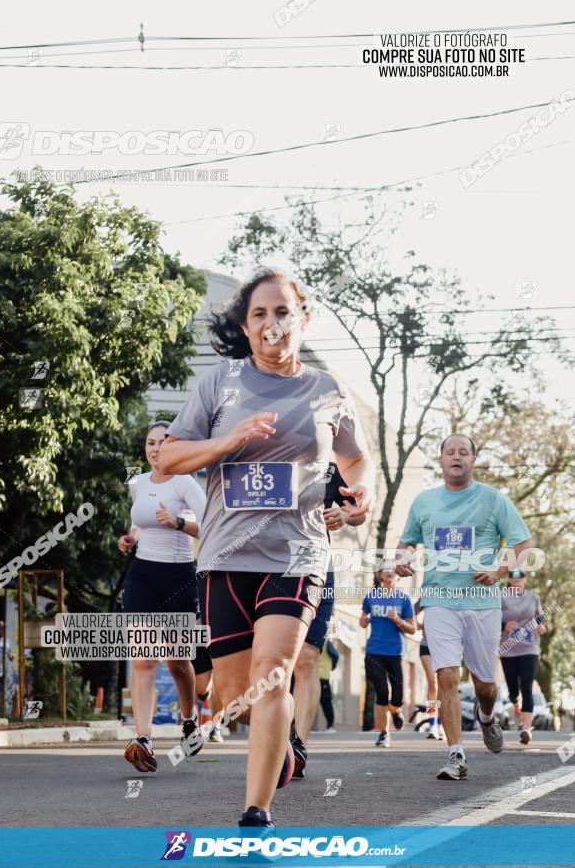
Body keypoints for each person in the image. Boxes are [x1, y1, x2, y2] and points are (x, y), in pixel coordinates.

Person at [158, 268, 374, 827]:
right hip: (227, 554)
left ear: (303, 319)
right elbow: (168, 459)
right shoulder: (218, 384)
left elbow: (354, 460)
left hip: (297, 552)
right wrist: (229, 439)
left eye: (283, 312)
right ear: (247, 325)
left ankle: (257, 808)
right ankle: (271, 743)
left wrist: (361, 494)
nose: (272, 323)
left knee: (276, 667)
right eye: (260, 313)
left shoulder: (327, 390)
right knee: (234, 692)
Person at [395, 433, 532, 780]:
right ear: (440, 460)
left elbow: (524, 543)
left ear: (473, 460)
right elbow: (407, 541)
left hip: (483, 603)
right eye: (450, 452)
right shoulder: (424, 502)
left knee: (485, 684)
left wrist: (499, 569)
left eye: (464, 452)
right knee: (446, 675)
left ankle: (486, 717)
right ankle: (455, 754)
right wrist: (401, 560)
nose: (456, 457)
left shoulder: (493, 500)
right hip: (439, 600)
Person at [118, 420, 207, 772]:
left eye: (163, 443)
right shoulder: (137, 483)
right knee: (143, 660)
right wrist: (131, 538)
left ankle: (189, 721)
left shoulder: (186, 482)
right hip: (142, 575)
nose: (156, 448)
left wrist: (178, 523)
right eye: (151, 442)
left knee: (177, 662)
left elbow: (213, 525)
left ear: (175, 448)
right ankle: (144, 739)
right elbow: (139, 522)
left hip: (179, 577)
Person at [290, 461, 366, 778]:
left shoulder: (330, 469)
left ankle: (298, 744)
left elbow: (358, 510)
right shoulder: (267, 457)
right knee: (272, 661)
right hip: (266, 565)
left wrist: (345, 515)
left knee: (308, 657)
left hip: (317, 567)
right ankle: (274, 736)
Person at [359, 570, 416, 747]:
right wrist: (364, 621)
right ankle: (384, 733)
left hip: (395, 652)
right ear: (380, 576)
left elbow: (412, 629)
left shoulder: (404, 599)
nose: (390, 573)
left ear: (397, 577)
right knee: (382, 693)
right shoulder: (371, 597)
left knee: (397, 697)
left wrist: (397, 620)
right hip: (374, 651)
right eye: (386, 571)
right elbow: (362, 620)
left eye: (393, 571)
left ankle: (394, 710)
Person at [500, 570, 546, 745]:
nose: (517, 579)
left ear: (525, 579)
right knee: (513, 689)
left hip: (530, 648)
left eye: (521, 576)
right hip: (507, 649)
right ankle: (514, 701)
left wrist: (541, 626)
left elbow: (539, 617)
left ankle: (526, 728)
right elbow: (491, 618)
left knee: (527, 685)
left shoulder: (533, 597)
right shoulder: (501, 597)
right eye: (513, 576)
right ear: (508, 580)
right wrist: (504, 625)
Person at [414, 599, 443, 740]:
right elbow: (411, 611)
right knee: (433, 683)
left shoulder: (455, 592)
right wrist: (417, 624)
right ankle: (433, 724)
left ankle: (442, 724)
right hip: (427, 645)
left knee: (445, 685)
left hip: (447, 646)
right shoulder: (429, 594)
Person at [318, 639, 338, 733]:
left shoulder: (326, 642)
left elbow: (335, 655)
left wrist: (331, 667)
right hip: (312, 677)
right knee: (325, 702)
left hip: (322, 676)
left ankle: (331, 725)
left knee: (326, 702)